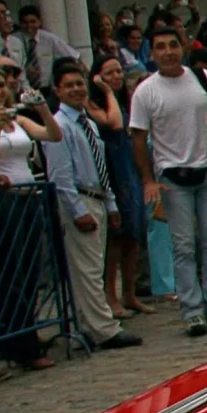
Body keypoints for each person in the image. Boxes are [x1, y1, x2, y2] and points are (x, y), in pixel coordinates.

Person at [128, 26, 207, 337]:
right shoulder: (146, 91)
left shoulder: (202, 79)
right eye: (161, 47)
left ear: (182, 48)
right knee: (182, 246)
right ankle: (192, 311)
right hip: (173, 177)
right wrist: (147, 179)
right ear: (152, 54)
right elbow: (138, 138)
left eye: (172, 45)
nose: (168, 52)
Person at [0, 62, 62, 371]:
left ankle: (25, 332)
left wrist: (42, 109)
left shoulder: (17, 119)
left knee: (32, 270)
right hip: (2, 201)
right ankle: (22, 344)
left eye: (0, 86)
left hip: (29, 196)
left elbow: (52, 134)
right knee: (12, 272)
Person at [42, 59, 141, 351]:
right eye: (68, 85)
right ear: (57, 91)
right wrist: (78, 210)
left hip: (96, 195)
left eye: (79, 84)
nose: (76, 89)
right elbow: (60, 175)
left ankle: (90, 323)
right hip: (79, 199)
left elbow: (101, 168)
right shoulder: (60, 126)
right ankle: (103, 328)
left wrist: (110, 205)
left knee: (94, 266)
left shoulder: (88, 124)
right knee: (85, 268)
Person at [90, 54, 153, 318]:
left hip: (130, 172)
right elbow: (114, 124)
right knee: (116, 239)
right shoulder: (93, 102)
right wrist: (106, 91)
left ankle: (130, 293)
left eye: (118, 72)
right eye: (109, 73)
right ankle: (110, 296)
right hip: (111, 172)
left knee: (134, 235)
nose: (116, 77)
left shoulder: (127, 102)